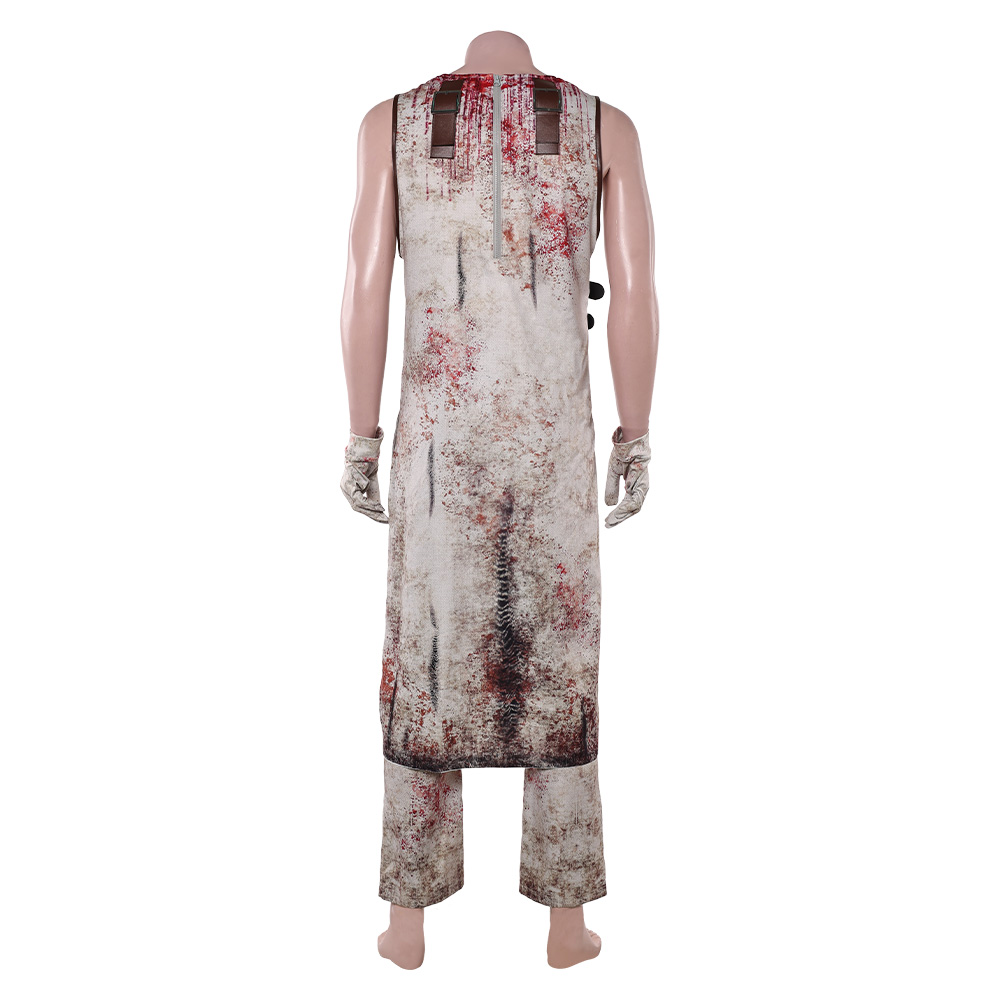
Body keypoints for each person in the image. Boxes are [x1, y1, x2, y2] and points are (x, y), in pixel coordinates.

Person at [340, 31, 658, 970]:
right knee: (558, 665)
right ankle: (565, 921)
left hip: (439, 452)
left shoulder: (391, 123)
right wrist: (635, 432)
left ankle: (409, 920)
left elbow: (362, 283)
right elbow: (637, 289)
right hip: (550, 441)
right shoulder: (604, 125)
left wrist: (361, 434)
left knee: (428, 662)